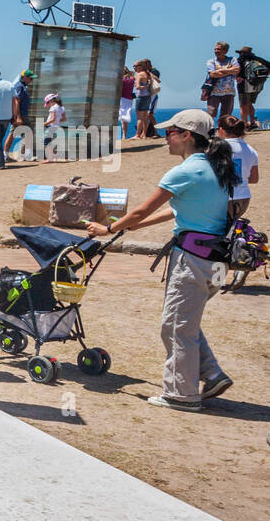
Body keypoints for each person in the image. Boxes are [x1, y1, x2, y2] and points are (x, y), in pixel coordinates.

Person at [85, 110, 239, 410]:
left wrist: (108, 229)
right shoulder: (216, 167)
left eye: (171, 132)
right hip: (217, 261)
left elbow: (142, 209)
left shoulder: (184, 171)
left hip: (192, 258)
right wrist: (133, 227)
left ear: (187, 136)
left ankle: (182, 395)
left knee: (175, 326)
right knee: (185, 321)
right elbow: (176, 211)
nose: (165, 137)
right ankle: (211, 373)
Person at [218, 115, 259, 218]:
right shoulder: (251, 150)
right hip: (244, 198)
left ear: (221, 130)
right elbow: (254, 179)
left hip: (223, 198)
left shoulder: (218, 148)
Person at [205, 42, 240, 123]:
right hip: (214, 92)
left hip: (229, 92)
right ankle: (209, 131)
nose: (216, 51)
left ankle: (223, 132)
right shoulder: (211, 61)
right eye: (215, 49)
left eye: (219, 49)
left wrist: (220, 70)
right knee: (211, 114)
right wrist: (229, 71)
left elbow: (237, 70)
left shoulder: (232, 59)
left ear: (225, 50)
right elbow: (213, 74)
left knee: (226, 116)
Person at [236, 45, 269, 128]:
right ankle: (252, 122)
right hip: (257, 86)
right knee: (250, 104)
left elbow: (236, 72)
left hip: (244, 86)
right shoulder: (259, 60)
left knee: (243, 105)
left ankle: (244, 124)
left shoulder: (240, 60)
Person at [5, 70, 36, 160]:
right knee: (12, 134)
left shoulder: (22, 86)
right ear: (24, 77)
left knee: (29, 133)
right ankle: (5, 155)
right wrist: (18, 117)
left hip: (23, 114)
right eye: (30, 78)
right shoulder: (19, 87)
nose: (31, 80)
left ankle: (27, 155)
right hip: (20, 115)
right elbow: (16, 101)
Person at [40, 92, 66, 162]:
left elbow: (52, 119)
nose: (47, 105)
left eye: (47, 103)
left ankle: (50, 158)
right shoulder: (62, 108)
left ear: (51, 101)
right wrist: (57, 121)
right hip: (56, 127)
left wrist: (44, 124)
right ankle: (52, 155)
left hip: (50, 127)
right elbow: (64, 119)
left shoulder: (53, 108)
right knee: (48, 141)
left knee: (46, 142)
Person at [132, 60, 155, 139]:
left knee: (140, 118)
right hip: (148, 97)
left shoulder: (139, 75)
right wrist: (147, 85)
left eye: (135, 66)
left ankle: (137, 135)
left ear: (141, 66)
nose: (134, 67)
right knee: (145, 117)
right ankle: (144, 134)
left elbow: (138, 87)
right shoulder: (148, 74)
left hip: (141, 97)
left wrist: (144, 86)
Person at [119, 68, 135, 143]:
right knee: (125, 119)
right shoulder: (132, 79)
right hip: (129, 100)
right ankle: (124, 135)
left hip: (121, 99)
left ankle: (122, 136)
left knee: (121, 118)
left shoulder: (120, 79)